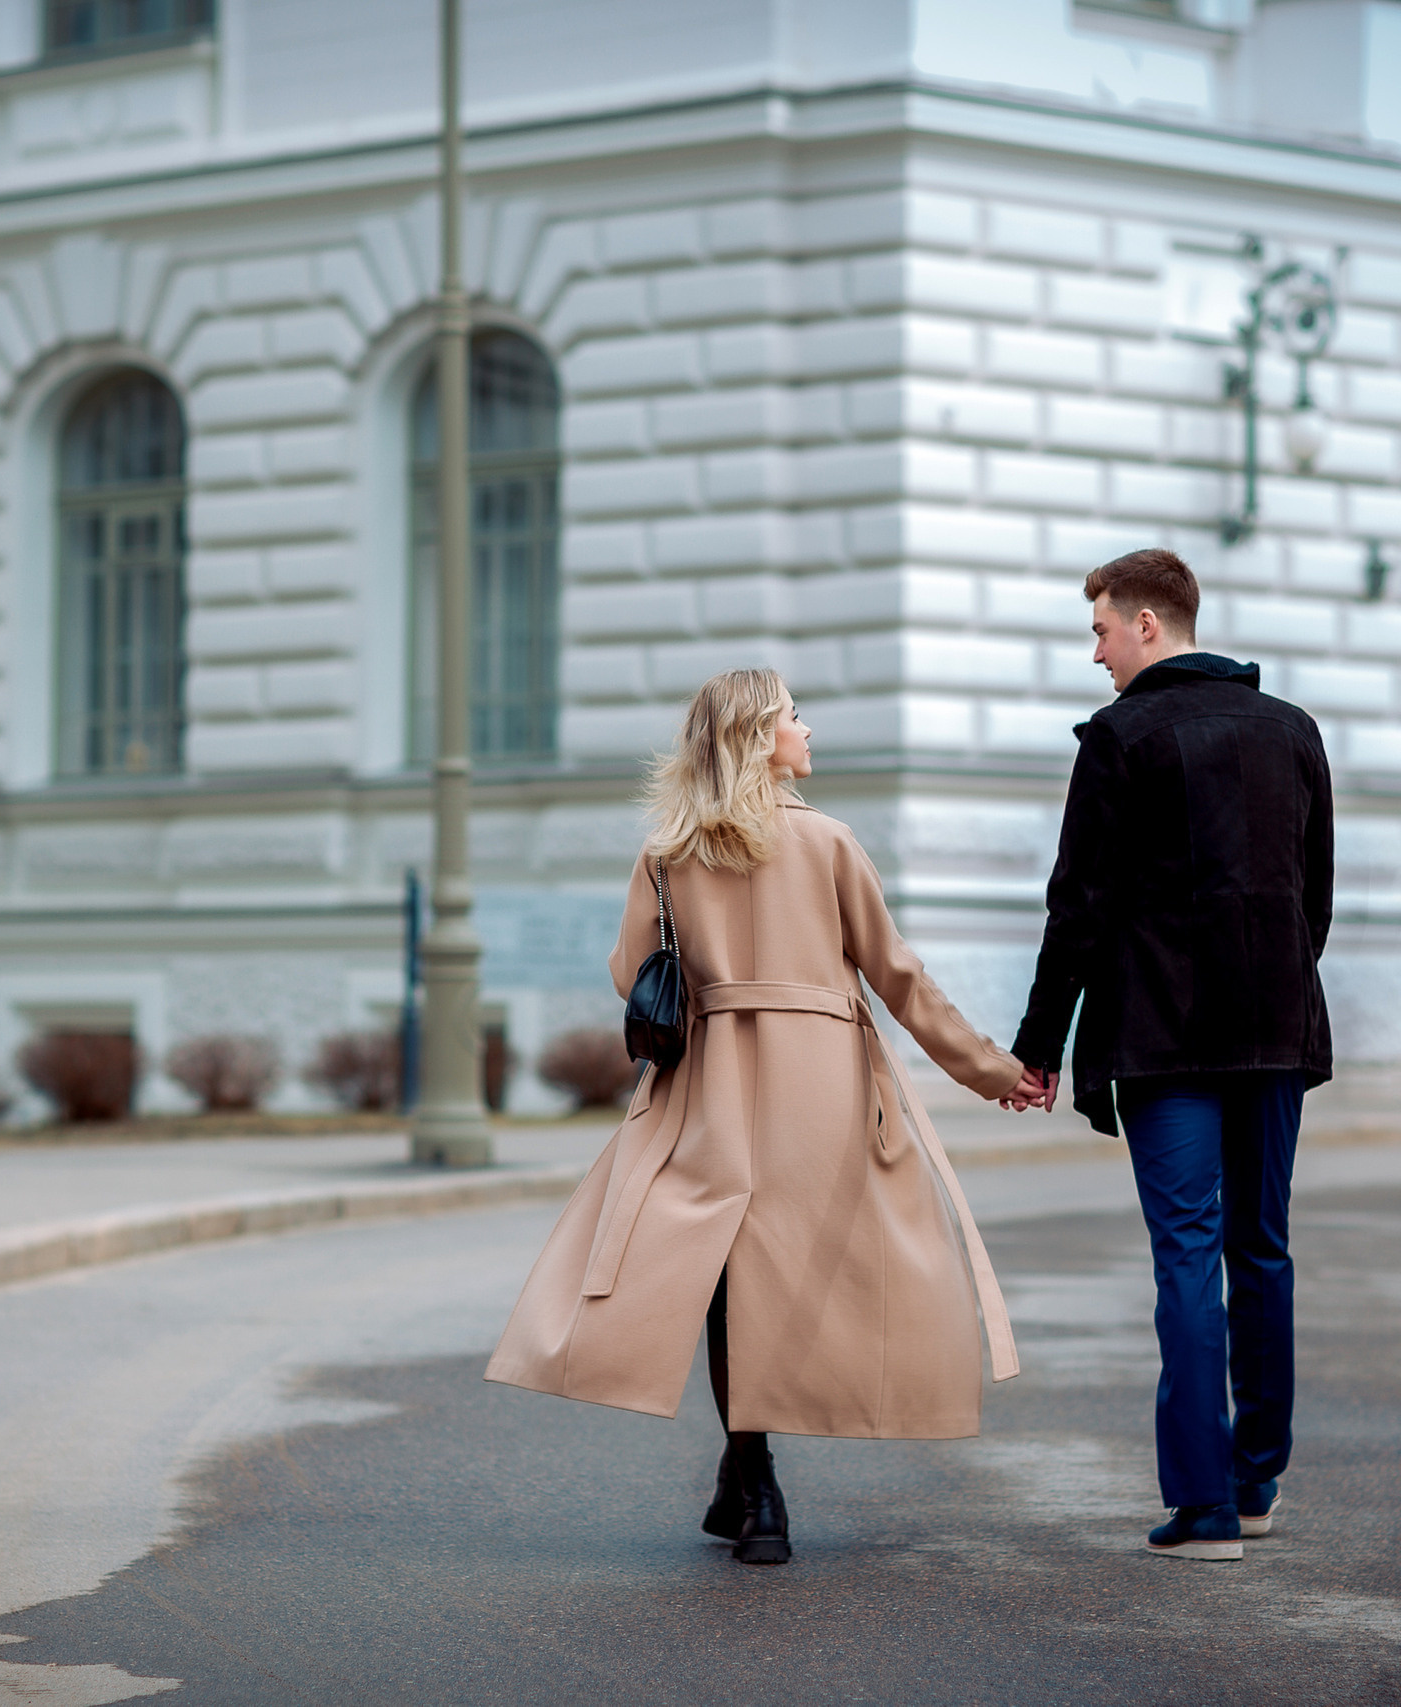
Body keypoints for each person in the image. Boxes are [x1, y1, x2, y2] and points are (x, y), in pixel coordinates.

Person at [487, 667, 1031, 1565]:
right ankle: (753, 1480)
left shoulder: (669, 851)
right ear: (757, 737)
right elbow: (902, 982)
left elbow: (630, 972)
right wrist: (993, 1071)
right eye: (793, 717)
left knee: (723, 1269)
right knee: (810, 1268)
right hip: (821, 1087)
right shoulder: (828, 844)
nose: (807, 731)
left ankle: (753, 1484)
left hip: (714, 1084)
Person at [1001, 548, 1333, 1564]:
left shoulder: (1119, 737)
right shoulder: (1293, 732)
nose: (1093, 652)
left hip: (1164, 1035)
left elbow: (1080, 905)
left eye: (1100, 628)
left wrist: (1039, 1043)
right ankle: (1255, 1481)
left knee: (1188, 1255)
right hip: (1274, 1027)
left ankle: (1203, 1512)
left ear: (1149, 624)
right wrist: (1275, 979)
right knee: (1261, 1248)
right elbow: (1311, 894)